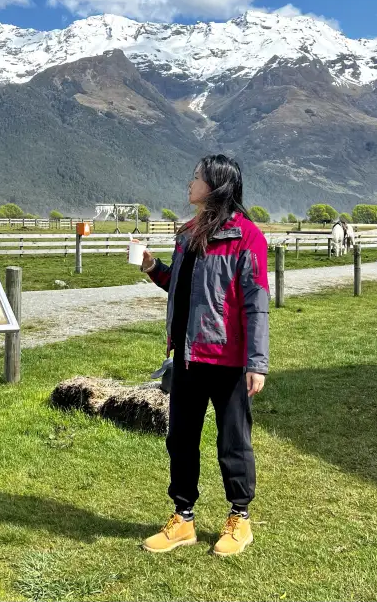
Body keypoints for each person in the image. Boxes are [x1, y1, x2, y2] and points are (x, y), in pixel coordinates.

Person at [139, 155, 269, 557]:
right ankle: (183, 519)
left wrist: (256, 361)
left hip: (228, 361)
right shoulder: (188, 234)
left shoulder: (247, 238)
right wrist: (153, 268)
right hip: (188, 358)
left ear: (215, 185)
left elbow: (256, 303)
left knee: (233, 442)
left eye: (197, 177)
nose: (190, 182)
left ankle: (239, 519)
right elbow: (184, 288)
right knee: (180, 440)